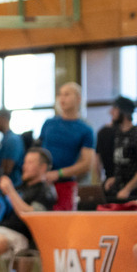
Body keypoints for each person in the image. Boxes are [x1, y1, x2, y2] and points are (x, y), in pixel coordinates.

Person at [38, 82, 95, 210]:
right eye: (60, 94)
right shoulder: (49, 123)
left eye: (67, 94)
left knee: (63, 224)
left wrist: (58, 174)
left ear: (78, 99)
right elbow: (37, 152)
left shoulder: (85, 129)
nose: (62, 98)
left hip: (65, 185)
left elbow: (87, 164)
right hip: (42, 182)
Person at [104, 95, 137, 202]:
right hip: (119, 192)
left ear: (124, 111)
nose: (111, 112)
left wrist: (127, 189)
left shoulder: (135, 134)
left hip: (132, 195)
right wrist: (115, 178)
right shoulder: (117, 134)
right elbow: (123, 163)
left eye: (115, 109)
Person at [0, 109, 24, 186]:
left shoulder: (12, 140)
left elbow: (7, 169)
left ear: (4, 120)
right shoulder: (5, 139)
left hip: (12, 187)